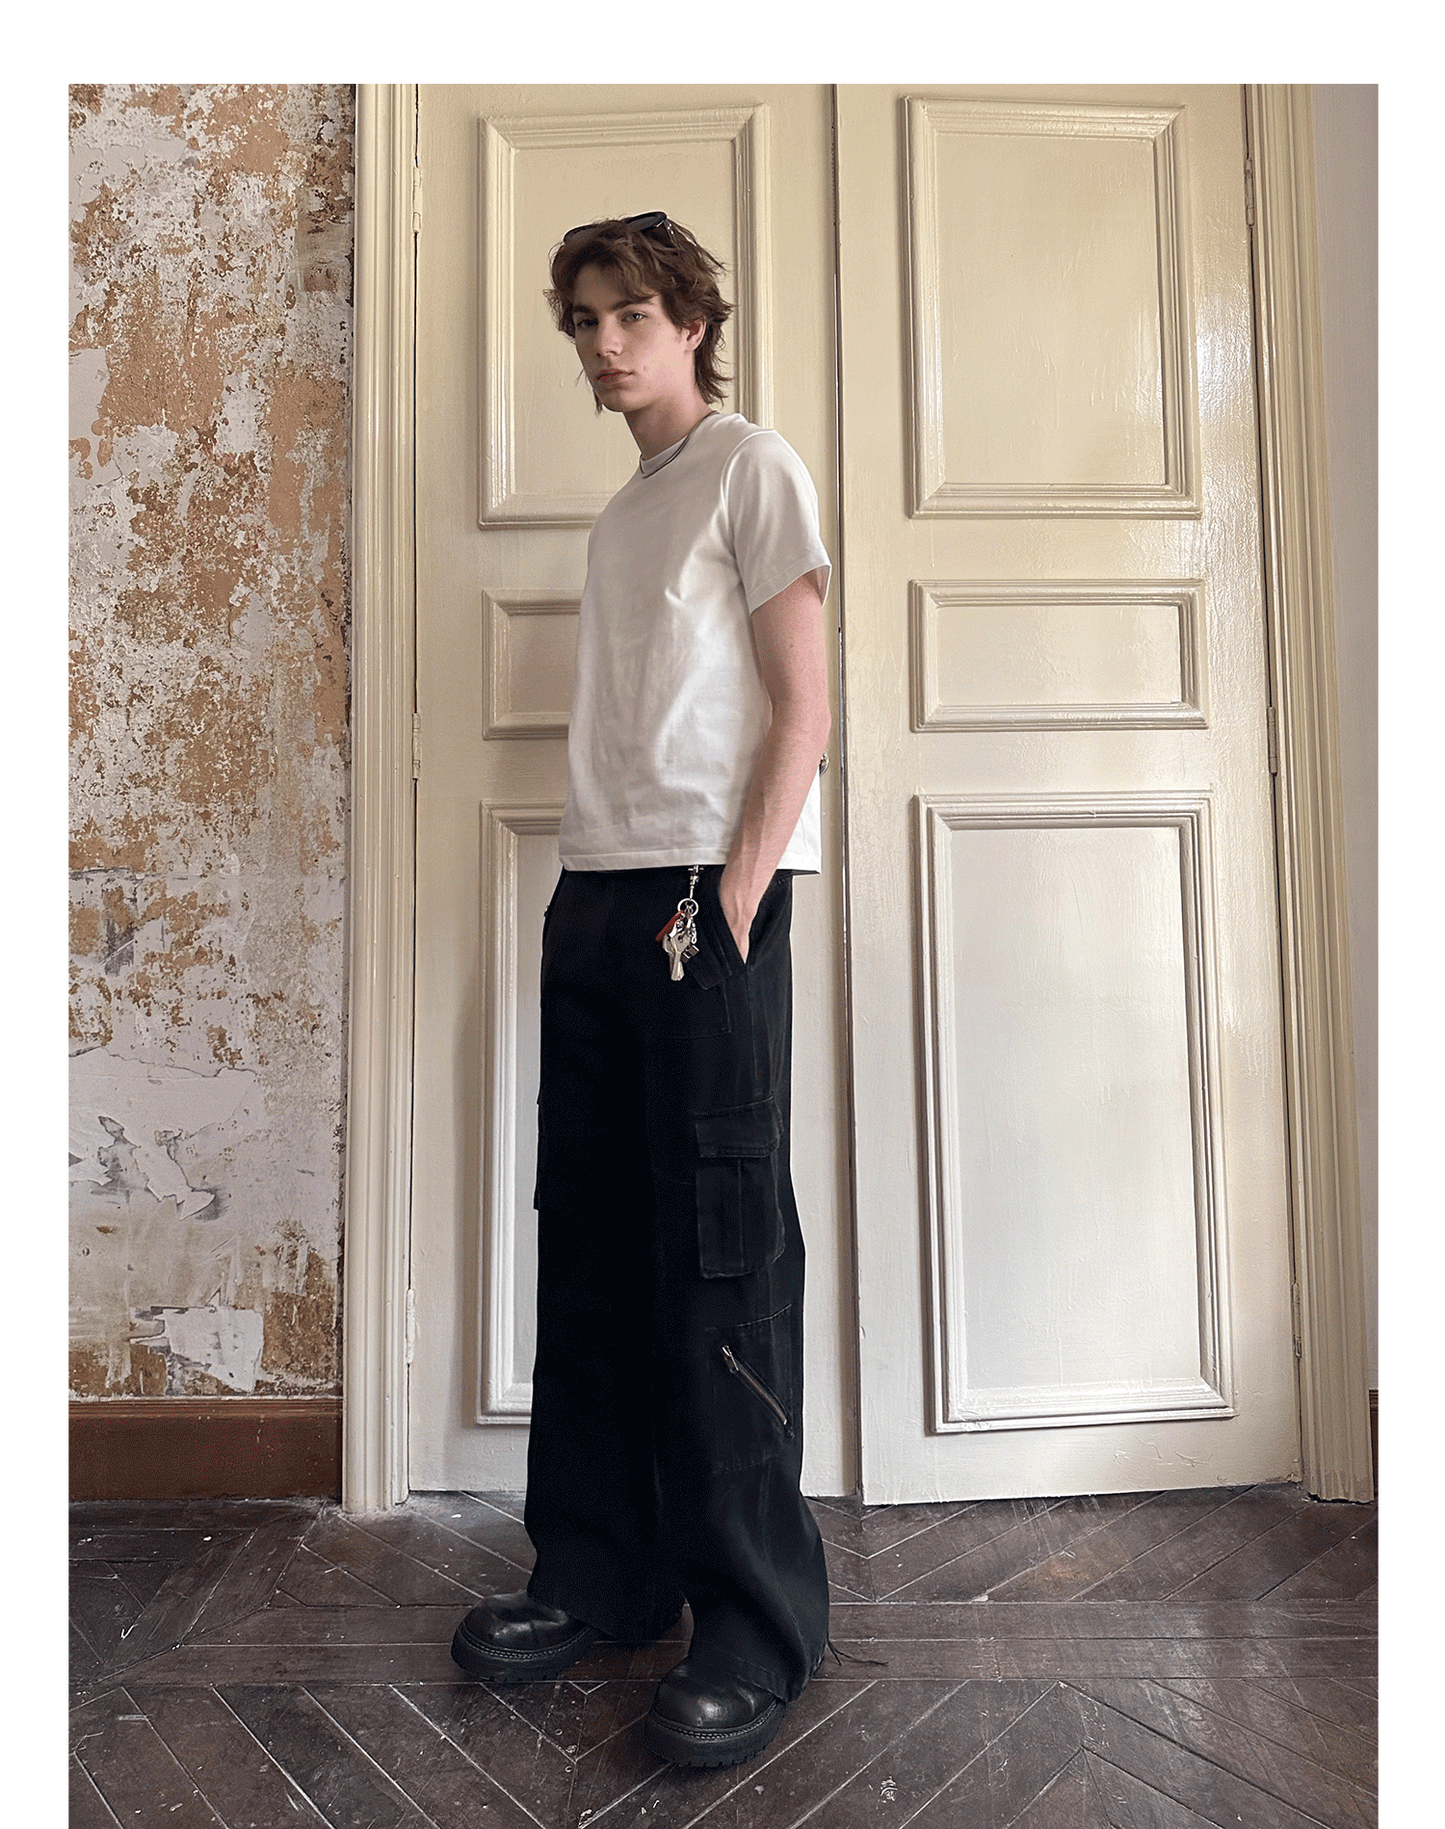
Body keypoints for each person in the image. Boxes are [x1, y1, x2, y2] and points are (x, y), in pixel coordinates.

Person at [451, 210, 833, 1770]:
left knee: (720, 1249)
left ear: (692, 323)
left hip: (698, 894)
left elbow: (804, 708)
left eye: (632, 315)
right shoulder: (624, 517)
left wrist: (731, 898)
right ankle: (601, 1574)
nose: (606, 344)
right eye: (584, 321)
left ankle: (754, 1619)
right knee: (597, 1236)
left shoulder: (752, 467)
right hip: (597, 894)